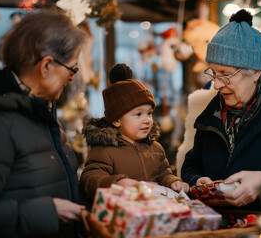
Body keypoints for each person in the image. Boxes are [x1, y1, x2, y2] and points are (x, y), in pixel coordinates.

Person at [181, 9, 261, 208]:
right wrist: (198, 182)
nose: (216, 85)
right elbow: (191, 165)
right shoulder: (214, 111)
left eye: (225, 74)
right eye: (213, 73)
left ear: (255, 73)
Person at [0, 9, 87, 237]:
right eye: (72, 68)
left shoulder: (42, 112)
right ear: (46, 66)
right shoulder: (0, 122)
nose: (73, 77)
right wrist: (48, 211)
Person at [79, 64, 189, 204]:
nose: (147, 120)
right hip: (122, 214)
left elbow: (164, 173)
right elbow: (90, 179)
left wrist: (173, 181)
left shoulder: (155, 148)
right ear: (117, 120)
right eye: (138, 114)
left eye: (149, 113)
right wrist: (118, 183)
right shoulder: (104, 150)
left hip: (154, 211)